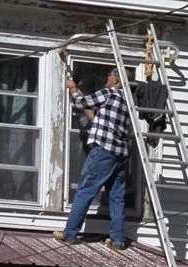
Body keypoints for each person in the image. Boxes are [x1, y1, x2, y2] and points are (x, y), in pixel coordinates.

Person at [53, 68, 131, 250]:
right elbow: (94, 114)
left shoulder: (109, 93)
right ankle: (117, 240)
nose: (107, 77)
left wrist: (72, 90)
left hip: (103, 152)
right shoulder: (127, 102)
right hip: (121, 156)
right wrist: (78, 91)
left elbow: (81, 103)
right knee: (116, 197)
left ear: (116, 81)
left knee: (86, 190)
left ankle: (70, 233)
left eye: (111, 74)